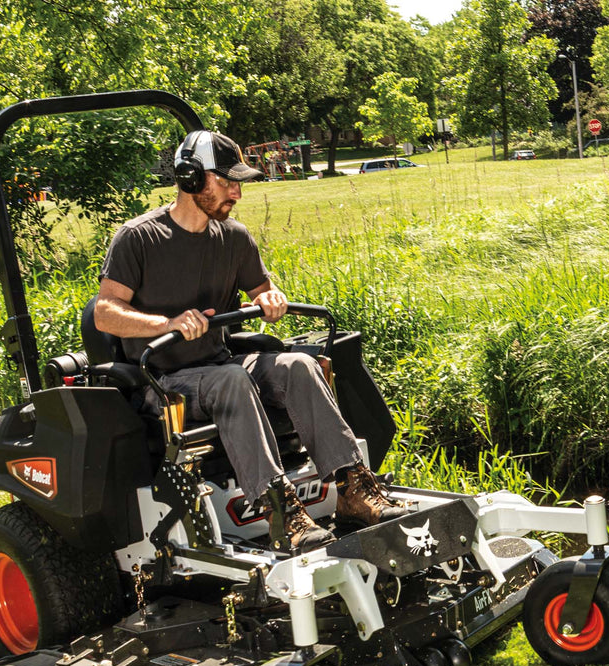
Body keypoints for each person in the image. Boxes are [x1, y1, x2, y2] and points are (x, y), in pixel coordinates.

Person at [94, 129, 410, 551]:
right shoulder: (138, 238)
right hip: (167, 382)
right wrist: (165, 323)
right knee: (231, 380)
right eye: (227, 182)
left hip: (221, 363)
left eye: (238, 183)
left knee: (298, 364)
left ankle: (353, 487)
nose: (237, 193)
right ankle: (281, 511)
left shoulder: (235, 237)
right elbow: (105, 312)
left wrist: (271, 297)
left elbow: (261, 290)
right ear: (190, 179)